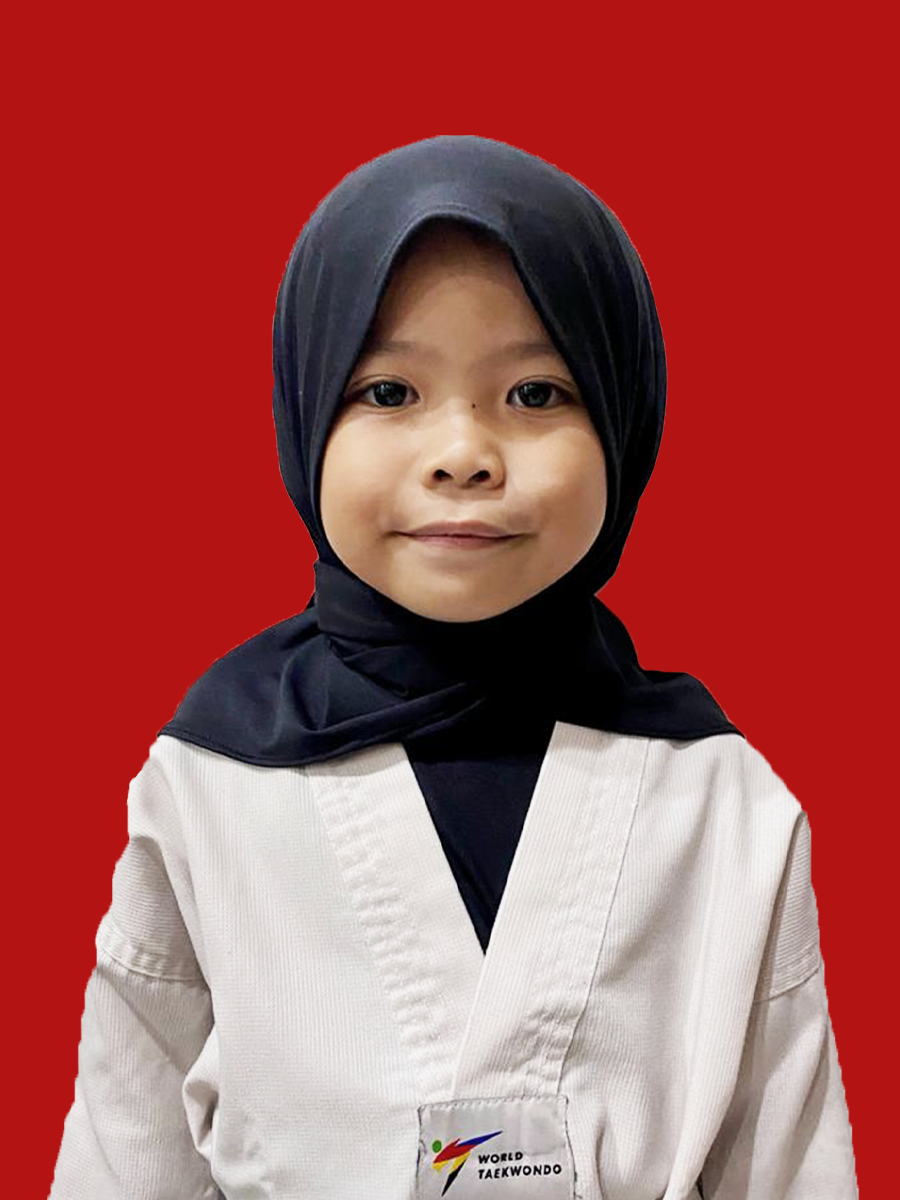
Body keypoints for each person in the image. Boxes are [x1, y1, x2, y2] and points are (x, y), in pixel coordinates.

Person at [49, 135, 858, 1198]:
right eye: (389, 391)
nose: (465, 453)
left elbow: (792, 1167)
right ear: (306, 409)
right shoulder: (210, 781)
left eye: (537, 393)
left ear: (624, 416)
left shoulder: (723, 802)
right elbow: (126, 1150)